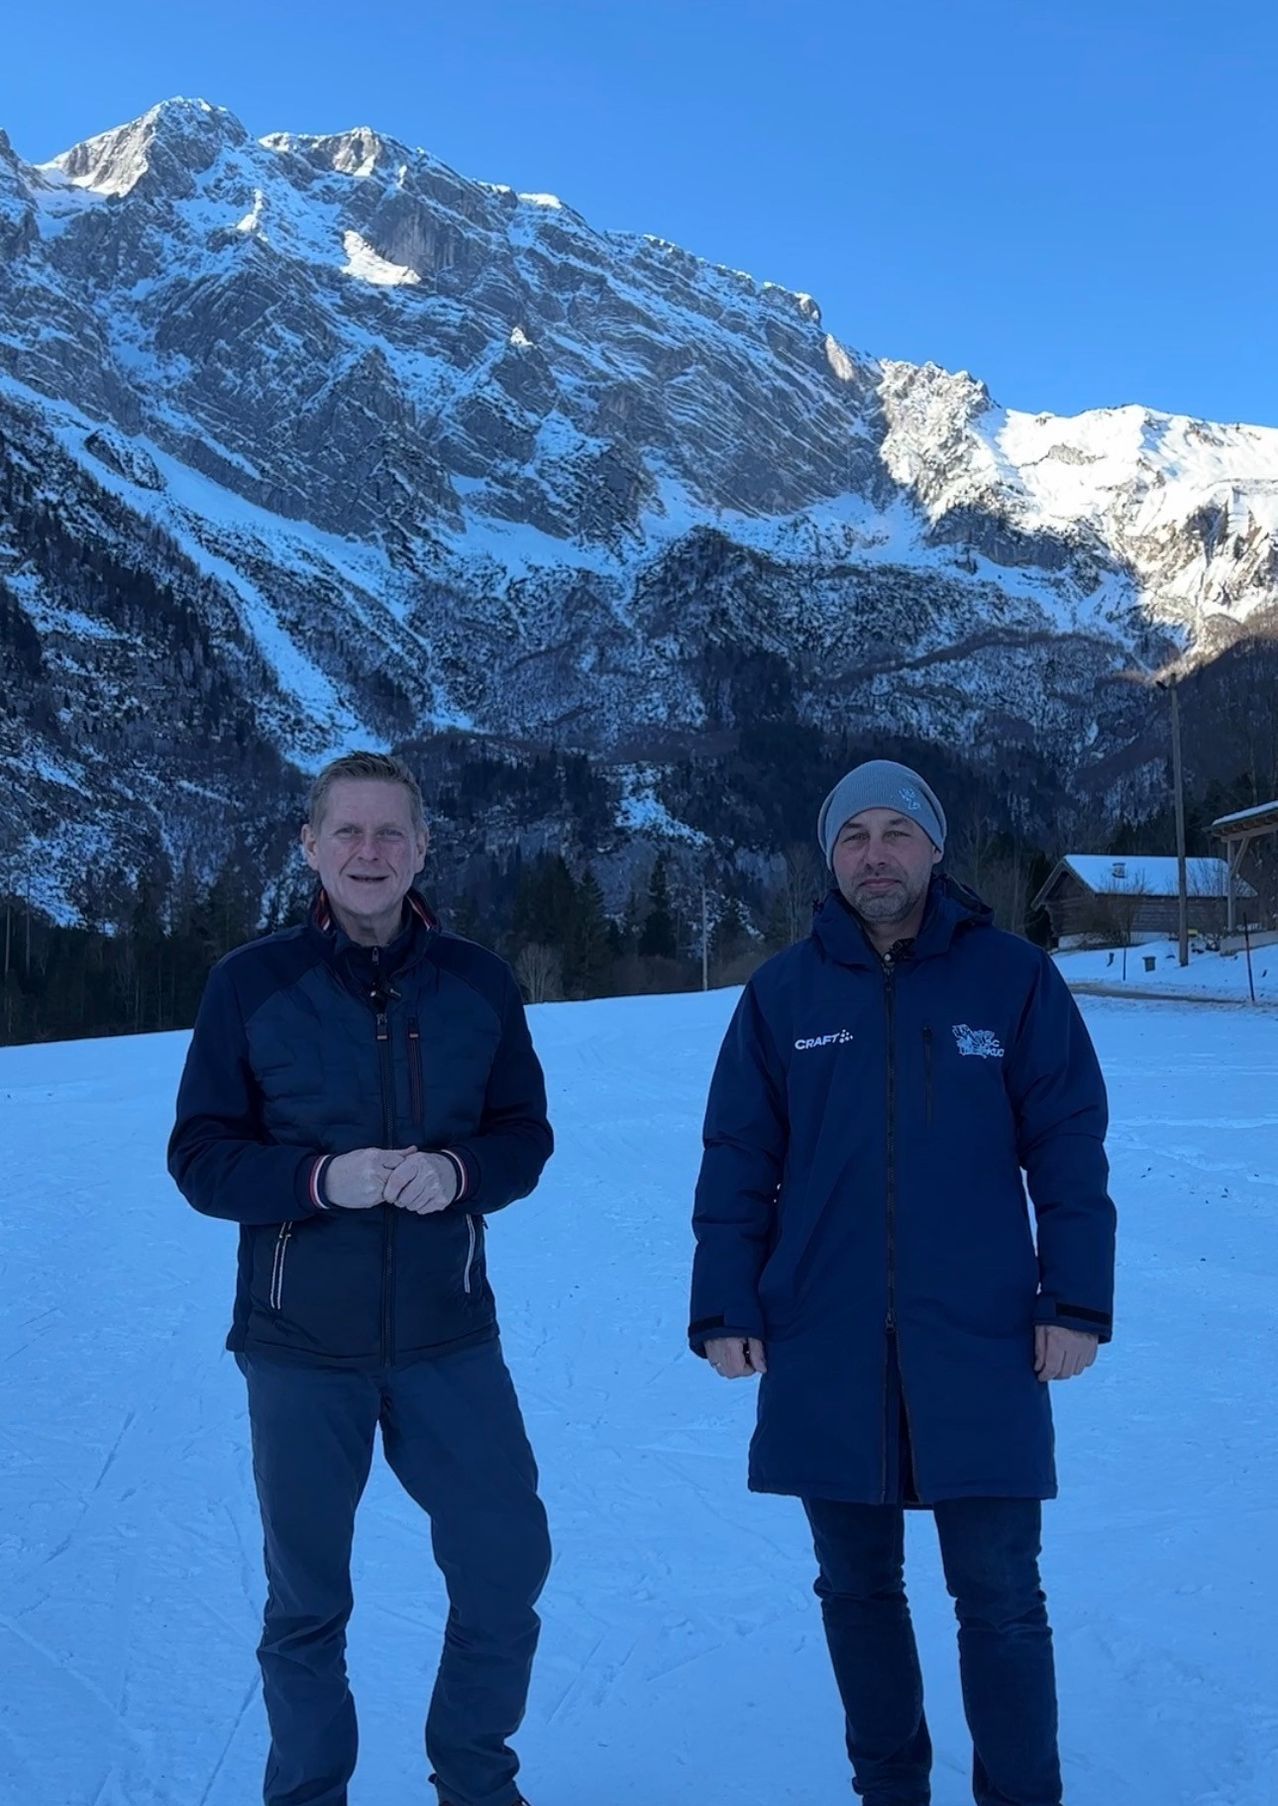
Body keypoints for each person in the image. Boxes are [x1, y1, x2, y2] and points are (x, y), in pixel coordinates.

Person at [688, 758, 1115, 1806]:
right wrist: (724, 1303)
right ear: (830, 859)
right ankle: (891, 1788)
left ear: (933, 848)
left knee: (1002, 1597)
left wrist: (1075, 1300)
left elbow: (1067, 1147)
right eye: (853, 837)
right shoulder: (783, 994)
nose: (875, 853)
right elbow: (737, 1158)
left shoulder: (1011, 979)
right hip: (825, 1339)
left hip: (980, 1337)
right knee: (858, 1591)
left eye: (896, 832)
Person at [169, 750, 552, 1806]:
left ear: (424, 849)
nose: (370, 853)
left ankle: (476, 1780)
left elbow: (525, 1136)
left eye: (392, 834)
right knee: (306, 1605)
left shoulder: (479, 983)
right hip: (301, 1349)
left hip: (448, 1339)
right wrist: (319, 1177)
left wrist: (461, 1168)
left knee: (505, 1568)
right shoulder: (250, 984)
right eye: (348, 832)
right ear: (310, 846)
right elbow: (200, 1157)